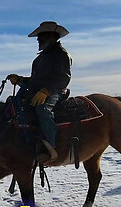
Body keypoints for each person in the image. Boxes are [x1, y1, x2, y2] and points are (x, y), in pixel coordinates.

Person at [6, 21, 72, 163]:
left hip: (55, 91)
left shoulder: (61, 54)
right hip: (39, 92)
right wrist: (19, 80)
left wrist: (46, 91)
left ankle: (51, 149)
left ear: (51, 36)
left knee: (42, 109)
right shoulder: (39, 59)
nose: (38, 39)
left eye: (41, 36)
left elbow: (63, 77)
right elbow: (35, 81)